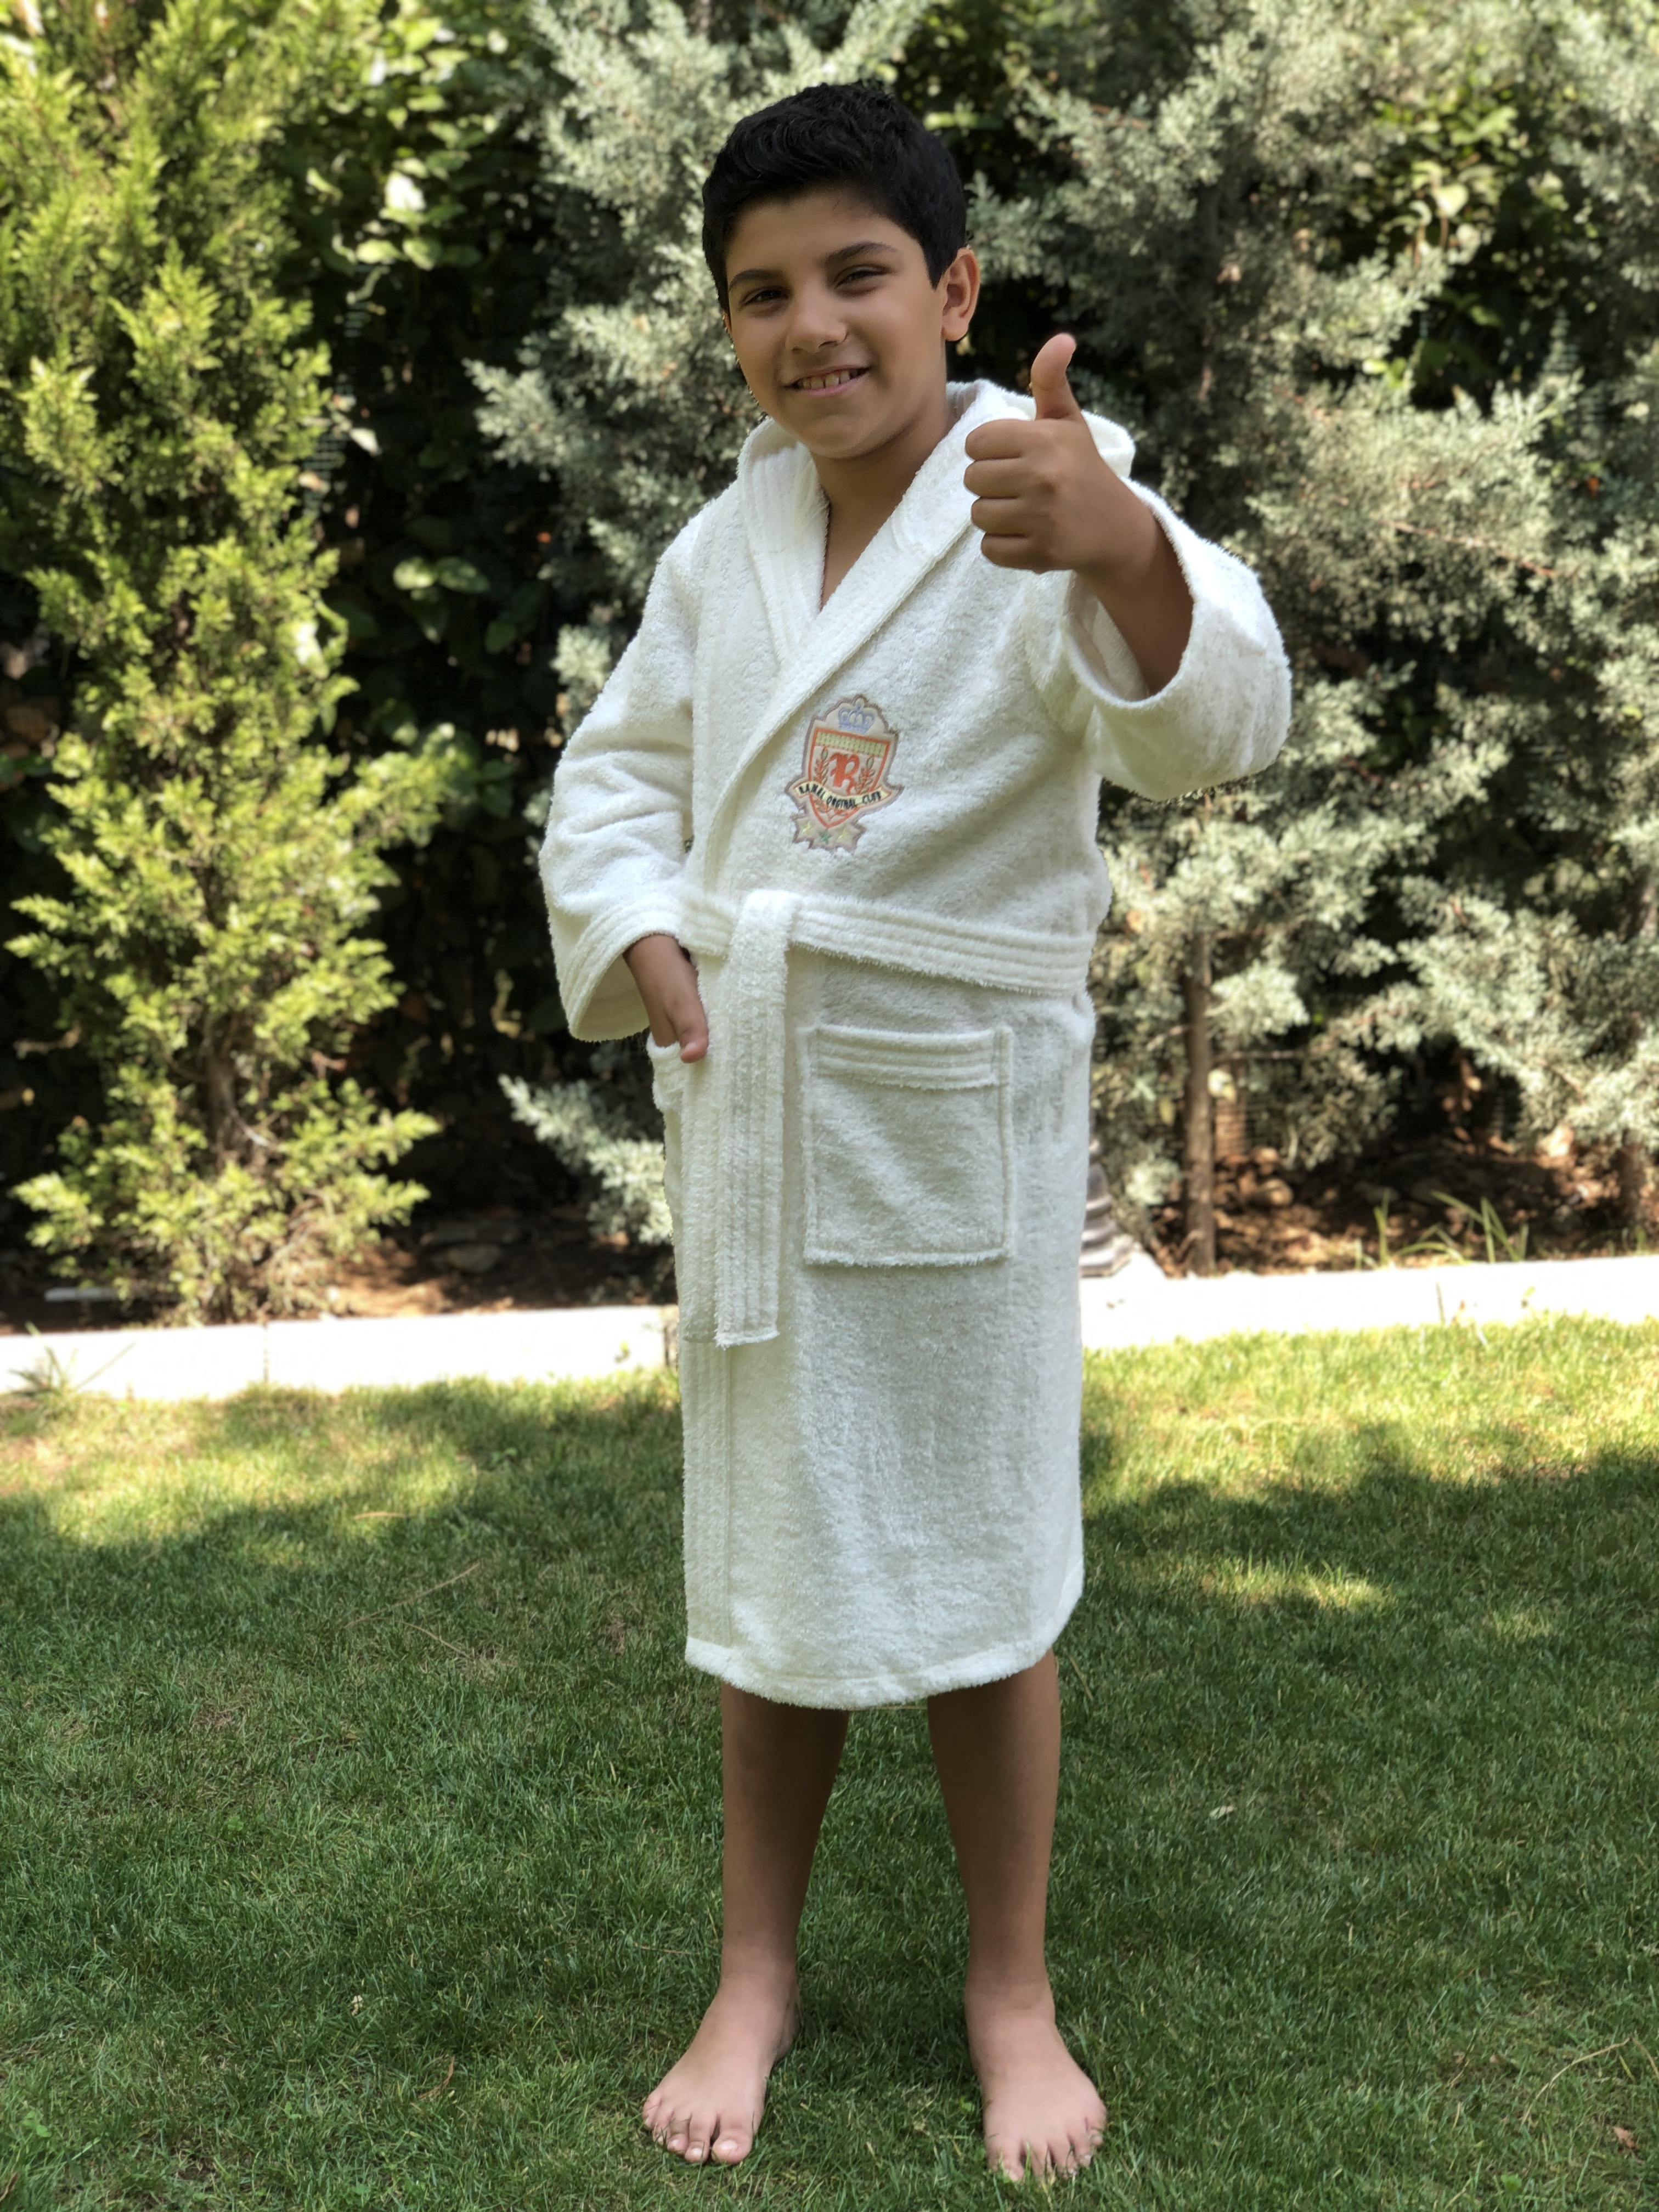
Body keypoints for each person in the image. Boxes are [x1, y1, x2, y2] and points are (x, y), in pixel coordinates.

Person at [540, 82, 1290, 2181]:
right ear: (730, 328)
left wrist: (1125, 546)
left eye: (858, 275)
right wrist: (640, 927)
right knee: (776, 1566)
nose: (814, 328)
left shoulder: (1037, 487)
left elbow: (1224, 723)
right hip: (765, 1110)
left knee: (982, 1568)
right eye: (761, 294)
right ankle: (753, 1972)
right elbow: (616, 777)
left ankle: (1011, 1991)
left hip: (952, 1123)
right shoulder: (728, 546)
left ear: (954, 292)